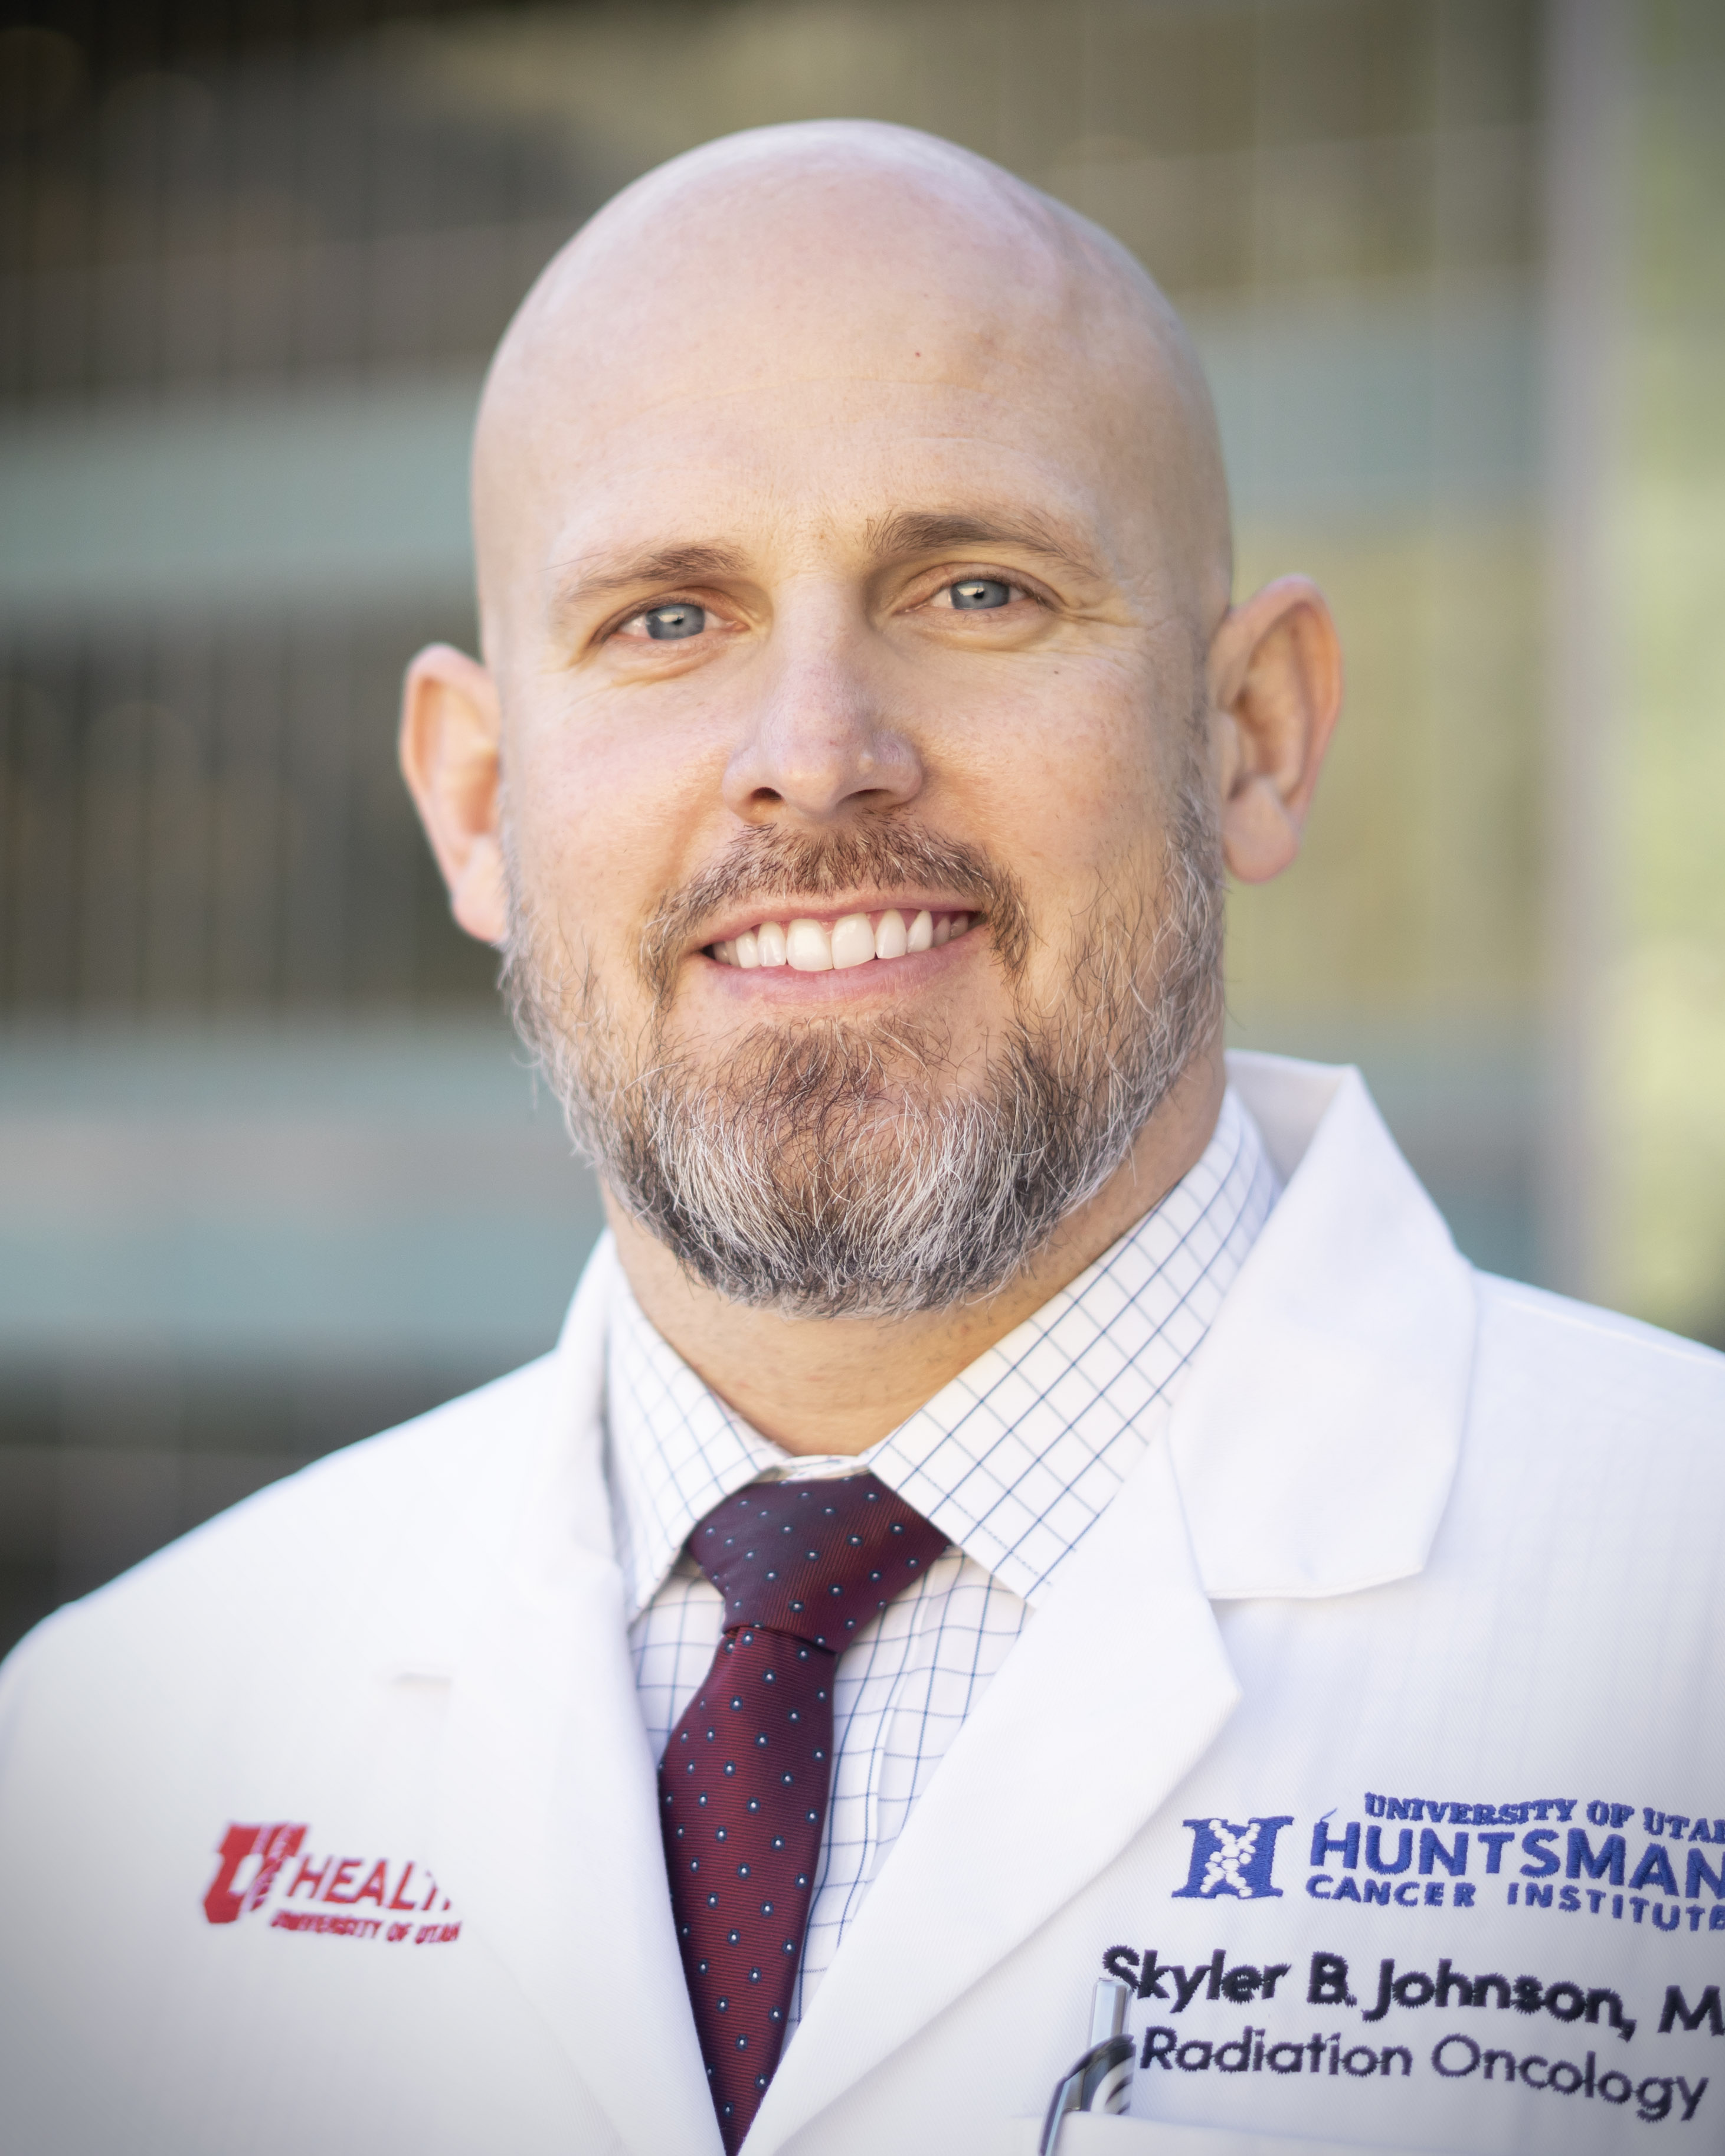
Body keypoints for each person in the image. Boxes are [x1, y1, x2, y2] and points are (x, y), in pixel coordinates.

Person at [1, 121, 1721, 2156]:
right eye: (664, 618)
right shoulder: (103, 1757)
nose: (814, 753)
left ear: (1250, 731)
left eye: (976, 587)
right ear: (476, 804)